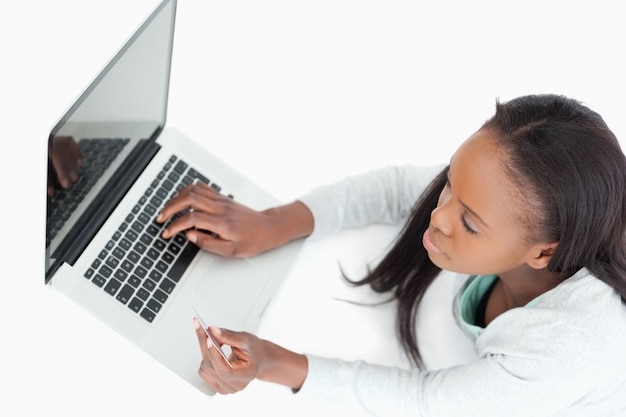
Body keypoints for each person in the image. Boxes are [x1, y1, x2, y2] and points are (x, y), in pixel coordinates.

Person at [156, 94, 626, 416]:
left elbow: (426, 404)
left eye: (469, 224)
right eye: (450, 182)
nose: (439, 217)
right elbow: (402, 187)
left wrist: (270, 363)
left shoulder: (569, 352)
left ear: (545, 252)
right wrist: (274, 222)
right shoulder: (513, 197)